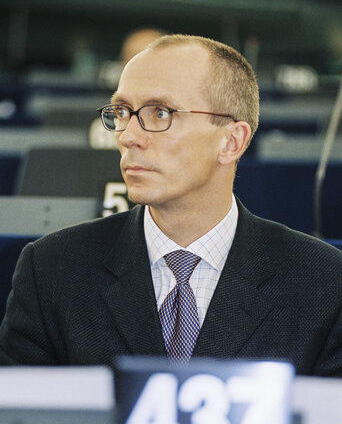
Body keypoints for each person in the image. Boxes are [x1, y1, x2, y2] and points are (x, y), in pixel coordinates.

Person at [0, 34, 342, 374]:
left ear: (231, 141)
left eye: (160, 113)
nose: (128, 136)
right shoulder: (51, 271)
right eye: (122, 112)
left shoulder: (324, 283)